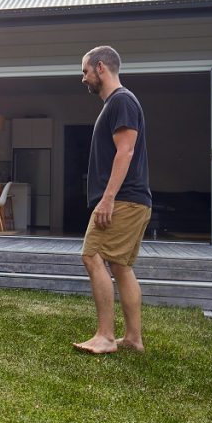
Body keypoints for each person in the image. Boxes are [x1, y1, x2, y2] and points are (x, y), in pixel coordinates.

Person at [73, 45, 152, 354]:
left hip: (123, 200)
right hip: (133, 200)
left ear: (101, 67)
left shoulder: (121, 101)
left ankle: (105, 336)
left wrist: (107, 199)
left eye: (85, 71)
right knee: (120, 266)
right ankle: (133, 339)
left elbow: (126, 151)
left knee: (91, 256)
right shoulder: (119, 103)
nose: (83, 78)